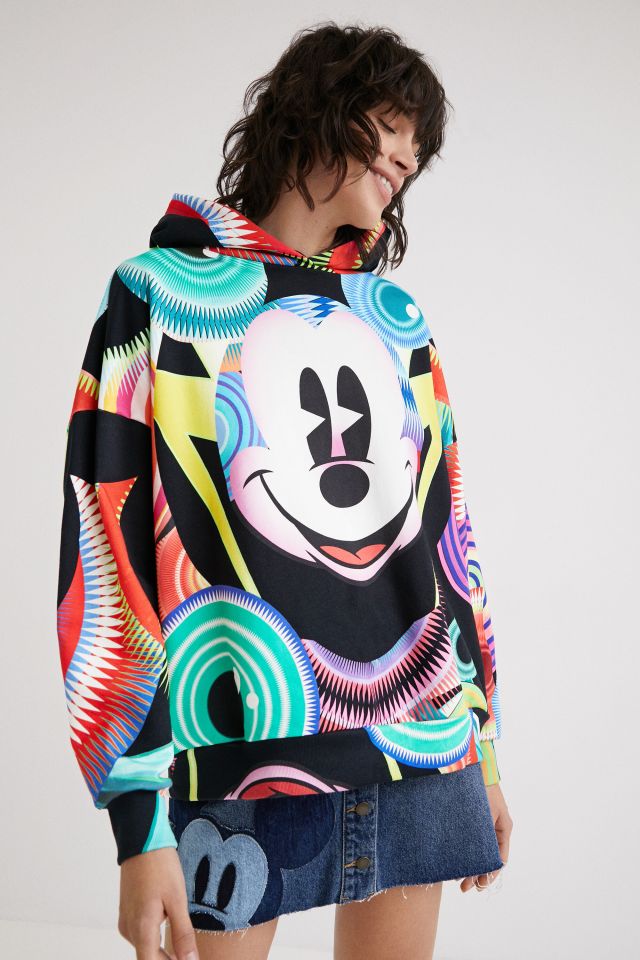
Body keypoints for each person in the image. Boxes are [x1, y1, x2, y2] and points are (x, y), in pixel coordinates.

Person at [56, 20, 513, 960]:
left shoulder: (395, 316)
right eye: (392, 126)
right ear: (318, 108)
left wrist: (486, 750)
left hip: (424, 746)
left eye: (417, 150)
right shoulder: (159, 294)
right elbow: (105, 550)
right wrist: (138, 822)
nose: (407, 157)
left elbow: (448, 536)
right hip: (235, 759)